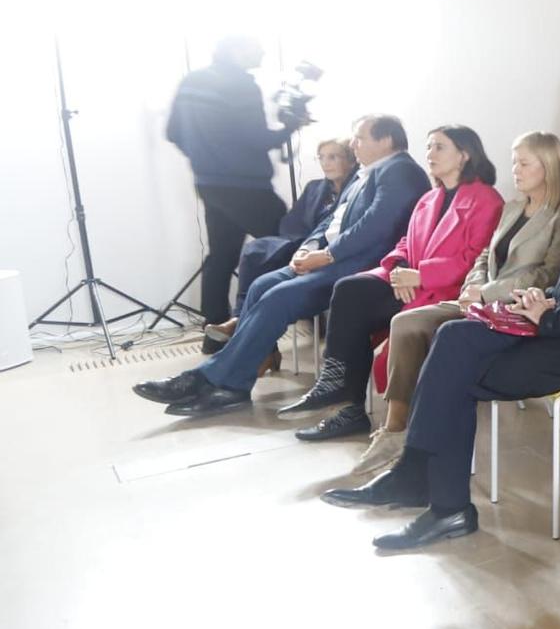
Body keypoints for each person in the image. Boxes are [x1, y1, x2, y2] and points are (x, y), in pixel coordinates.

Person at [326, 138, 560, 549]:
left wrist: (550, 315)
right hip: (558, 326)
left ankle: (436, 496)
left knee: (457, 370)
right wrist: (542, 302)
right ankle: (424, 484)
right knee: (453, 336)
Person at [134, 116, 429, 416]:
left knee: (279, 297)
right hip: (328, 258)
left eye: (360, 138)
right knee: (262, 284)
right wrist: (307, 248)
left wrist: (327, 256)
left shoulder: (400, 171)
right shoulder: (367, 173)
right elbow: (331, 221)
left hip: (356, 267)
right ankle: (231, 382)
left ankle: (211, 379)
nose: (353, 145)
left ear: (387, 140)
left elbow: (375, 227)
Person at [353, 131, 560, 473]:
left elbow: (549, 276)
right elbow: (482, 257)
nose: (515, 170)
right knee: (405, 322)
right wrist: (474, 286)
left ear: (549, 167)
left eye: (524, 163)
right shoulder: (513, 207)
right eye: (514, 162)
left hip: (516, 308)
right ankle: (395, 428)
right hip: (479, 299)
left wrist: (487, 293)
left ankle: (419, 435)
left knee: (441, 333)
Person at [284, 126, 506, 442]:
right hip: (407, 280)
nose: (430, 153)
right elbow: (405, 242)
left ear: (465, 154)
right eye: (428, 146)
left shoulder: (486, 200)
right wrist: (401, 267)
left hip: (444, 289)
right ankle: (340, 390)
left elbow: (478, 259)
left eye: (439, 147)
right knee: (349, 290)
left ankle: (349, 406)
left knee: (359, 309)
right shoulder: (430, 198)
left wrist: (421, 275)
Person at [165, 35, 293, 329]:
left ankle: (215, 331)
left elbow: (173, 132)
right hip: (247, 186)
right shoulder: (241, 85)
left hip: (209, 184)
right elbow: (258, 138)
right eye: (256, 45)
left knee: (221, 256)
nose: (262, 50)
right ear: (236, 49)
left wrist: (204, 157)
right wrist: (290, 126)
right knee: (290, 244)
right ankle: (283, 322)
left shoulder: (192, 82)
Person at [213, 138, 356, 345]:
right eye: (322, 158)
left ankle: (242, 326)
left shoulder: (358, 188)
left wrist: (309, 247)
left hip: (328, 251)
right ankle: (240, 318)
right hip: (298, 242)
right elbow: (294, 220)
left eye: (333, 157)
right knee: (254, 252)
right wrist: (300, 245)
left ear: (351, 160)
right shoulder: (314, 187)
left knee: (268, 276)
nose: (326, 163)